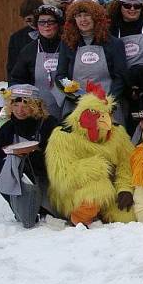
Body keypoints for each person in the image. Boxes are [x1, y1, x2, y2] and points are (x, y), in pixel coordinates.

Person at [46, 82, 134, 225]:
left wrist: (125, 189)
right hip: (74, 192)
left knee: (126, 216)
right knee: (97, 190)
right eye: (95, 113)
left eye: (107, 114)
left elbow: (127, 164)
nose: (105, 118)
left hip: (113, 187)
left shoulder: (117, 133)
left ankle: (101, 214)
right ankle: (79, 219)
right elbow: (61, 176)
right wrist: (101, 167)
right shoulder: (63, 135)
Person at [0, 85, 58, 228]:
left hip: (49, 178)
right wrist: (12, 165)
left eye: (26, 105)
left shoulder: (49, 124)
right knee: (2, 180)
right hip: (23, 178)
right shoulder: (9, 128)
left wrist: (34, 157)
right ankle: (24, 210)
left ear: (36, 106)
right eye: (15, 105)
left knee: (57, 212)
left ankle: (44, 211)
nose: (19, 110)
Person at [55, 0, 127, 122]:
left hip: (108, 108)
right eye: (78, 15)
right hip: (76, 107)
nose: (83, 19)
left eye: (87, 15)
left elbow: (120, 77)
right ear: (73, 19)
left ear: (97, 17)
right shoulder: (67, 43)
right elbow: (61, 76)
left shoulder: (115, 44)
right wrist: (77, 97)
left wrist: (108, 101)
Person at [9, 4, 65, 120]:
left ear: (58, 24)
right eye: (42, 22)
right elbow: (17, 78)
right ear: (36, 25)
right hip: (37, 112)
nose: (46, 25)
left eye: (51, 21)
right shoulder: (29, 50)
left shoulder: (68, 47)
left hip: (66, 109)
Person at [6, 0, 42, 81]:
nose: (33, 23)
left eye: (36, 19)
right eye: (29, 20)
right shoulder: (16, 38)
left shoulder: (52, 33)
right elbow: (12, 67)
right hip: (26, 84)